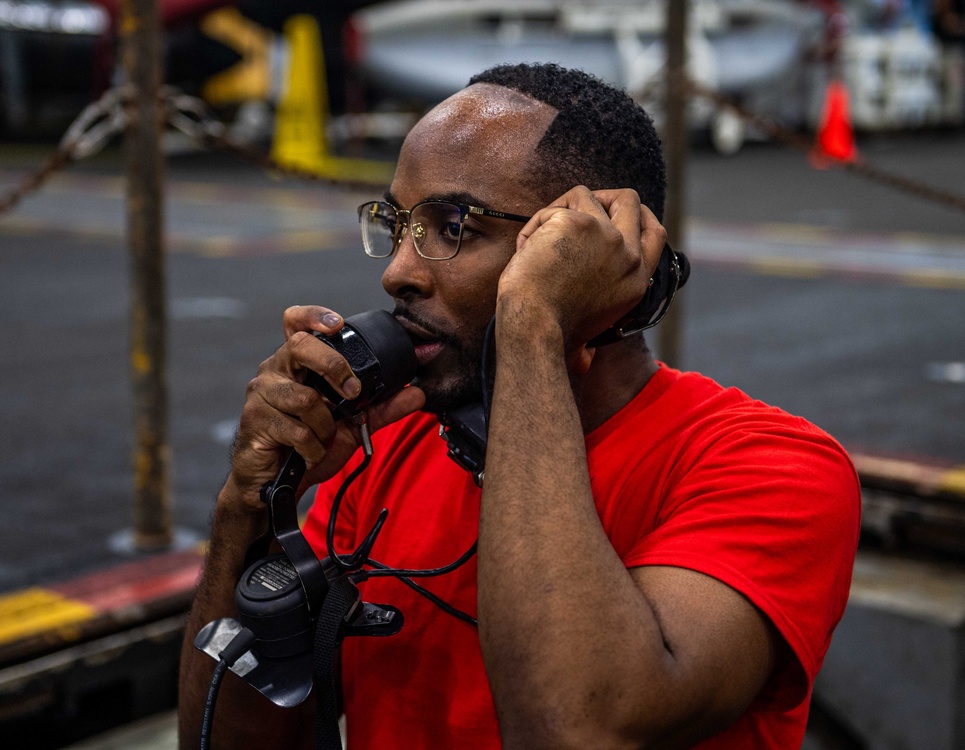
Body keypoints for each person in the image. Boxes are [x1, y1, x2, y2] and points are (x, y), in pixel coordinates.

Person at [178, 62, 860, 749]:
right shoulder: (390, 450)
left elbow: (576, 730)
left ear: (589, 251)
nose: (396, 273)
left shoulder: (774, 468)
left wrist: (534, 323)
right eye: (396, 225)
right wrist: (249, 505)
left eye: (452, 227)